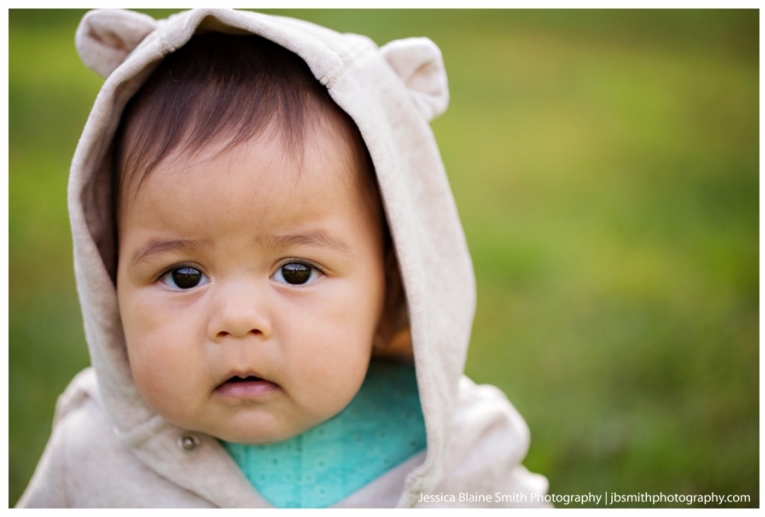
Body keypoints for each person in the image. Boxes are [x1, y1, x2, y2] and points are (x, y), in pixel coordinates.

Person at [17, 8, 549, 508]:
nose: (237, 320)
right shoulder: (91, 454)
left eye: (296, 272)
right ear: (107, 278)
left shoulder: (464, 456)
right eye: (183, 276)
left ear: (392, 285)